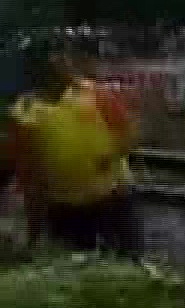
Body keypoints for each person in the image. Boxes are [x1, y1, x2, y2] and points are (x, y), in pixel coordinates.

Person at [5, 41, 141, 256]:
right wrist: (34, 224)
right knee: (76, 261)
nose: (62, 67)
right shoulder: (25, 113)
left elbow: (127, 132)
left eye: (63, 60)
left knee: (125, 257)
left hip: (113, 196)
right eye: (52, 63)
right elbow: (28, 172)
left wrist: (112, 156)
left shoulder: (95, 94)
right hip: (64, 206)